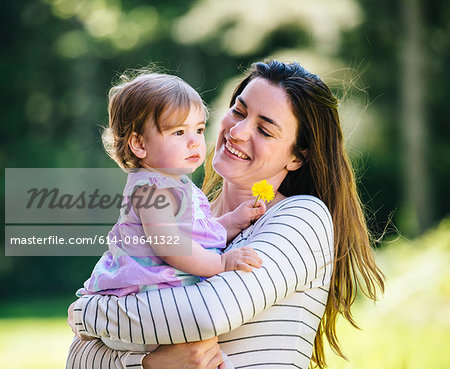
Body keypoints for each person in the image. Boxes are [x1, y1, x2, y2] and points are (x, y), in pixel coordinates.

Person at [67, 60, 385, 369]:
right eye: (239, 111)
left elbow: (207, 314)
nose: (238, 131)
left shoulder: (301, 218)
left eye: (264, 129)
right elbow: (77, 359)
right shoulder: (187, 214)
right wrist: (147, 363)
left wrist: (87, 314)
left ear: (296, 157)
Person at [74, 72, 265, 365]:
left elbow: (197, 234)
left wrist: (232, 221)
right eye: (178, 133)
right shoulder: (150, 189)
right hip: (143, 301)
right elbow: (171, 245)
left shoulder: (175, 184)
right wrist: (221, 263)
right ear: (139, 145)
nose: (194, 143)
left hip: (161, 303)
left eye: (199, 130)